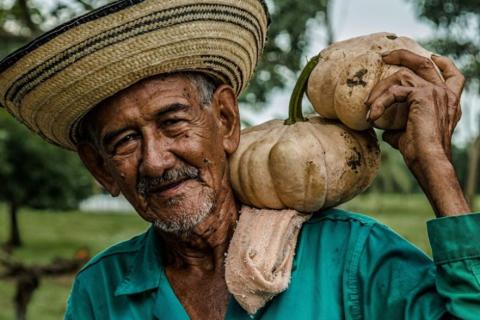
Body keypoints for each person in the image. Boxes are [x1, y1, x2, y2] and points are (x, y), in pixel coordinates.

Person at [0, 1, 478, 319]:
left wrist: (433, 163)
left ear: (226, 121)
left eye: (173, 123)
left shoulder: (353, 258)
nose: (155, 161)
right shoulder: (102, 291)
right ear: (100, 167)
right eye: (124, 141)